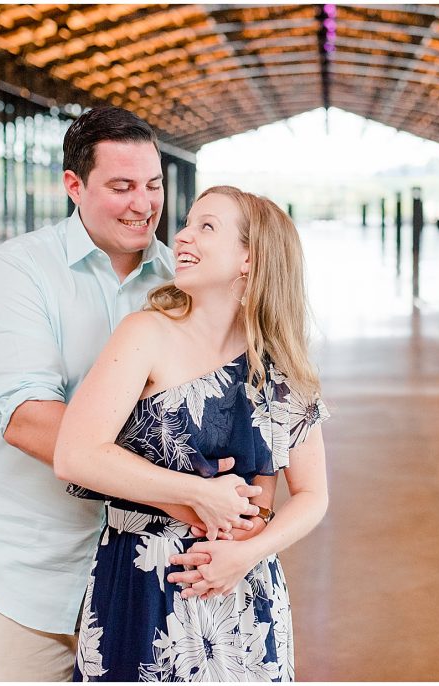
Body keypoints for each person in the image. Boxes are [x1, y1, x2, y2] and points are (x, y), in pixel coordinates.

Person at [0, 107, 265, 681]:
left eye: (153, 185)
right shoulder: (20, 271)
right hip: (31, 576)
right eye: (121, 187)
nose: (143, 204)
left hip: (149, 579)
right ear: (74, 185)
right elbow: (24, 418)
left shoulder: (181, 278)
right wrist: (182, 494)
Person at [54, 185, 330, 681]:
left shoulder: (279, 363)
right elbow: (75, 454)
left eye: (207, 227)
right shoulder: (145, 334)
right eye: (186, 223)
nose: (181, 236)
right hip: (143, 576)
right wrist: (200, 495)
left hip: (240, 584)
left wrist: (247, 552)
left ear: (249, 259)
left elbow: (312, 495)